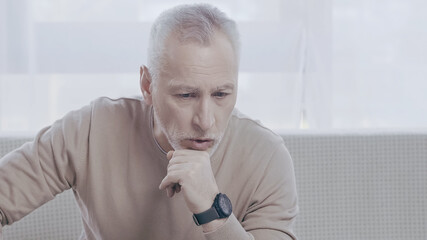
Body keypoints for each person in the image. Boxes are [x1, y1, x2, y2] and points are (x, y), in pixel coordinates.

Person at [0, 3, 298, 240]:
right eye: (185, 95)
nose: (206, 121)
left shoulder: (267, 156)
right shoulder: (92, 130)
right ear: (147, 85)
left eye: (221, 94)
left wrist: (212, 207)